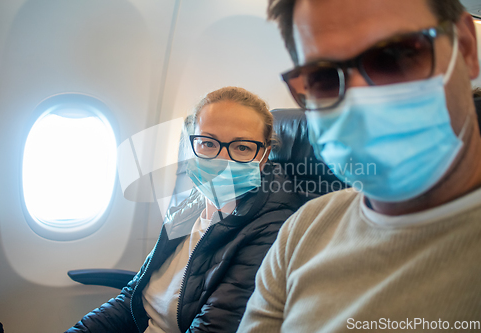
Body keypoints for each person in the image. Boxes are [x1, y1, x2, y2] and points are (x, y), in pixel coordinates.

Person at [238, 0, 481, 332]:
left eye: (393, 57)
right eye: (323, 76)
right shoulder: (304, 229)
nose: (358, 100)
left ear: (466, 48)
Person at [66, 87, 304, 333]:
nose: (222, 159)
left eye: (242, 147)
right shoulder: (193, 203)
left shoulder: (272, 227)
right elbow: (132, 299)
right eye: (208, 143)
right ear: (192, 146)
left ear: (264, 156)